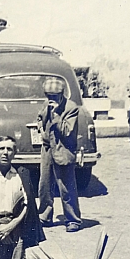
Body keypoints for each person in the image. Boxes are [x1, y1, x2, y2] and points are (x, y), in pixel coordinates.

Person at [39, 76, 85, 233]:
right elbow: (40, 119)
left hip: (64, 150)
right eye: (48, 96)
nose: (50, 99)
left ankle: (73, 219)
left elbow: (66, 131)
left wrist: (56, 115)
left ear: (61, 94)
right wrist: (41, 124)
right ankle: (45, 216)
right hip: (47, 150)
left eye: (54, 96)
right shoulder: (46, 104)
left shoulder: (71, 108)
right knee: (44, 185)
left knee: (66, 188)